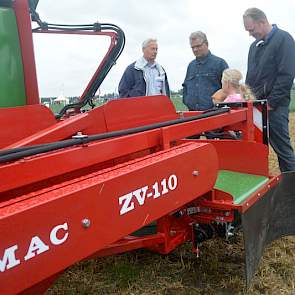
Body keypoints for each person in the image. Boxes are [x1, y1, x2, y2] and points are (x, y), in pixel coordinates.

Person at [243, 7, 295, 172]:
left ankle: (291, 189)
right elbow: (250, 77)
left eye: (251, 29)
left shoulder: (284, 39)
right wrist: (246, 99)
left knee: (283, 151)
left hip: (275, 107)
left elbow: (286, 75)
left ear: (262, 22)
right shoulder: (254, 47)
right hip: (257, 107)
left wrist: (271, 103)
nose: (250, 34)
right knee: (256, 149)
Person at [182, 31, 229, 111]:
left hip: (214, 114)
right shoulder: (191, 66)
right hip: (193, 114)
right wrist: (187, 101)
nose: (195, 49)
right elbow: (186, 87)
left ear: (206, 44)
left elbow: (229, 89)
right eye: (192, 47)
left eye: (198, 46)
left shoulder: (220, 63)